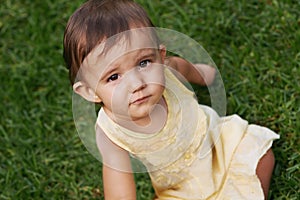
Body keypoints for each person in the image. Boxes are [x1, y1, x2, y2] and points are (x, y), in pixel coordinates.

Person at [63, 0, 279, 199]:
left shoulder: (167, 71)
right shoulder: (110, 133)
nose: (136, 83)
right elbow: (119, 190)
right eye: (114, 77)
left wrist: (204, 74)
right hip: (179, 186)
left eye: (144, 63)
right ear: (90, 91)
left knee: (262, 156)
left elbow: (183, 67)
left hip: (216, 144)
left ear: (160, 55)